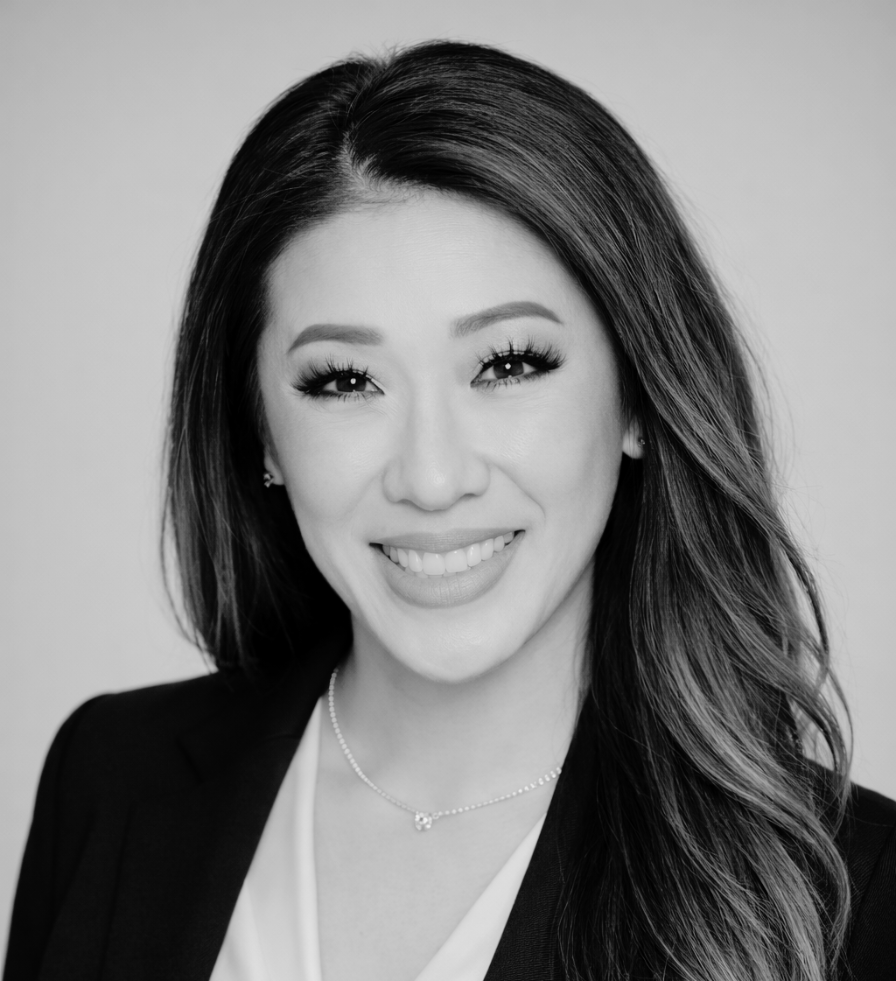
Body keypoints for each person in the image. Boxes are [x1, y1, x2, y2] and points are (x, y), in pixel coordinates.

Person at [4, 39, 894, 981]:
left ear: (638, 396)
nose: (431, 478)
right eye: (345, 380)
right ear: (260, 429)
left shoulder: (853, 892)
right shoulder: (110, 778)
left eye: (507, 365)